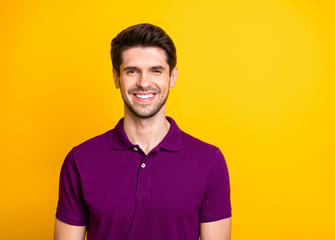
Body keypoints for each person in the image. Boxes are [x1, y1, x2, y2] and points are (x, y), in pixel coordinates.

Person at [54, 23, 231, 240]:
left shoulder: (209, 161)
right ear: (116, 77)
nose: (144, 83)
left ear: (172, 77)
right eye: (132, 71)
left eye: (156, 71)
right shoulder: (79, 160)